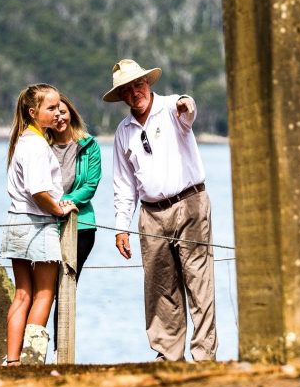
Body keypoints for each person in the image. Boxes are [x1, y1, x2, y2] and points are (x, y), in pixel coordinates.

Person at [106, 58, 217, 361]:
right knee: (159, 287)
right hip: (150, 212)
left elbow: (188, 109)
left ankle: (204, 355)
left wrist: (186, 105)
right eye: (127, 90)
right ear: (122, 96)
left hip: (189, 203)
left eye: (138, 84)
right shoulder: (123, 132)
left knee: (199, 280)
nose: (134, 92)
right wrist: (120, 227)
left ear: (148, 83)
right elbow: (123, 184)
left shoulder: (171, 107)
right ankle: (168, 355)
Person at [1, 84, 75, 366]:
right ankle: (31, 358)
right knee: (44, 293)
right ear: (33, 112)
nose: (57, 113)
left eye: (59, 107)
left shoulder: (23, 141)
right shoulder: (36, 145)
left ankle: (13, 359)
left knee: (22, 294)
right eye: (51, 108)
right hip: (38, 223)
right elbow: (39, 190)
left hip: (16, 221)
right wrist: (59, 210)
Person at [49, 93, 102, 277]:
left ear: (71, 113)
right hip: (47, 223)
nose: (59, 117)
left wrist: (64, 202)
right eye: (53, 112)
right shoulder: (41, 145)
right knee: (47, 287)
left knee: (67, 283)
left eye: (62, 112)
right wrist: (53, 206)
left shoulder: (89, 144)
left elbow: (90, 185)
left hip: (81, 224)